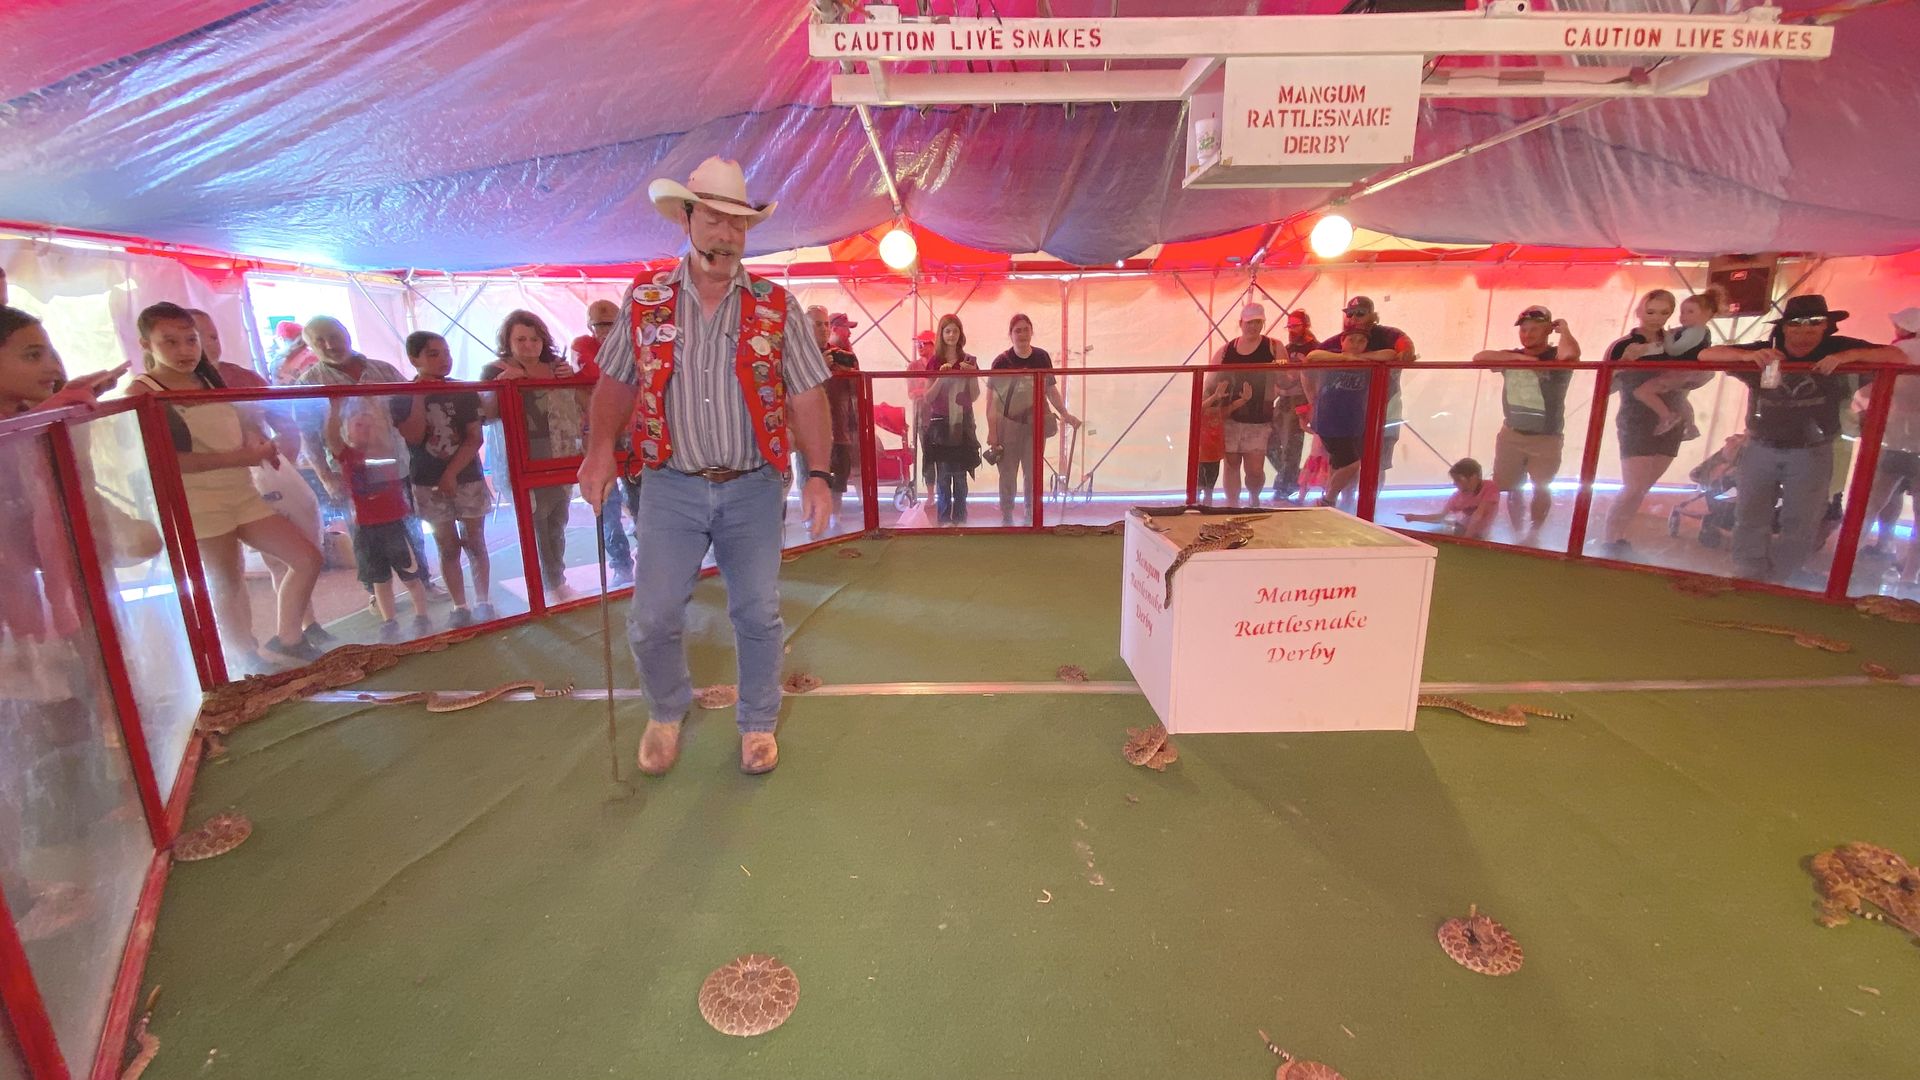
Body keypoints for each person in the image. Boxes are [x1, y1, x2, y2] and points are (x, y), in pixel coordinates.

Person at [576, 156, 833, 777]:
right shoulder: (647, 300)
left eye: (738, 224)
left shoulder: (776, 305)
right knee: (652, 618)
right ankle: (666, 711)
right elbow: (617, 381)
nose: (727, 235)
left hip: (754, 486)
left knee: (757, 612)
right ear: (686, 219)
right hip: (669, 485)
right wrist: (599, 447)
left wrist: (819, 475)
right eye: (715, 219)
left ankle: (758, 723)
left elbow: (808, 395)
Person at [127, 302, 322, 672]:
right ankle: (244, 657)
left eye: (191, 340)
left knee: (306, 558)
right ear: (146, 344)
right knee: (227, 581)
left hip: (242, 492)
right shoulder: (143, 392)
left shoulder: (210, 379)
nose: (185, 350)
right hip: (199, 503)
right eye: (170, 341)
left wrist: (257, 443)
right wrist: (243, 457)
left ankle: (289, 638)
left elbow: (237, 421)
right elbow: (167, 461)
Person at [1699, 294, 1904, 584]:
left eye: (1814, 323)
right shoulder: (1767, 350)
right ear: (1784, 327)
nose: (1804, 331)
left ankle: (1781, 579)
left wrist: (1844, 359)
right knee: (1750, 514)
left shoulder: (1839, 348)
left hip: (1812, 450)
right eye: (1796, 324)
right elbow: (1706, 355)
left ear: (1826, 326)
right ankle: (1748, 576)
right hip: (1761, 445)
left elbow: (1897, 356)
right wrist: (1746, 357)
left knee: (1801, 521)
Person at [187, 307, 333, 645]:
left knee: (300, 552)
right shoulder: (164, 388)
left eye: (212, 336)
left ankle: (300, 628)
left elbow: (283, 421)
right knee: (227, 574)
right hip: (209, 491)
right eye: (194, 338)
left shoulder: (243, 377)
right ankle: (244, 650)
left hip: (263, 474)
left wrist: (277, 457)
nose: (207, 344)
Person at [482, 310, 586, 598]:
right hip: (522, 455)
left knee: (558, 518)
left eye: (534, 339)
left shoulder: (556, 367)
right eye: (521, 339)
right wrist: (503, 384)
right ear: (508, 341)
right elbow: (485, 415)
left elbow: (583, 403)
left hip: (560, 451)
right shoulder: (495, 369)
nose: (529, 345)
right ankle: (547, 583)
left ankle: (556, 578)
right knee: (536, 521)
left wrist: (571, 379)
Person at [394, 331, 494, 626]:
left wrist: (451, 474)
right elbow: (413, 436)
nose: (444, 360)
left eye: (446, 353)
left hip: (468, 477)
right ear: (414, 359)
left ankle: (484, 601)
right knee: (447, 545)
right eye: (433, 354)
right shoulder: (401, 395)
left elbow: (475, 437)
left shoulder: (462, 390)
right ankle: (459, 605)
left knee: (475, 541)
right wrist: (419, 395)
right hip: (427, 481)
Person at [1475, 305, 1581, 537]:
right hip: (1512, 433)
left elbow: (1570, 355)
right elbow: (1479, 358)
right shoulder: (1513, 355)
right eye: (1524, 330)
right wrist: (1520, 358)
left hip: (1546, 436)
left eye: (1535, 329)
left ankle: (1534, 533)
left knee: (1541, 487)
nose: (1527, 334)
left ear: (1548, 330)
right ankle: (1517, 531)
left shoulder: (1556, 356)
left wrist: (1564, 330)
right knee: (1511, 487)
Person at [328, 406, 432, 641]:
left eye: (371, 426)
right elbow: (332, 438)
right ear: (348, 432)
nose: (366, 430)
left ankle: (422, 616)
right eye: (359, 426)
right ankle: (389, 621)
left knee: (410, 576)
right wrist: (334, 410)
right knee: (379, 580)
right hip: (366, 530)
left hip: (394, 526)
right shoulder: (348, 455)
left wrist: (374, 415)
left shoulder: (386, 451)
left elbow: (383, 431)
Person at [1600, 289, 1677, 551]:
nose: (1656, 318)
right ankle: (1609, 539)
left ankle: (1620, 536)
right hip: (1635, 420)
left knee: (1642, 487)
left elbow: (1698, 376)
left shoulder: (1677, 343)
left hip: (1673, 418)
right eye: (1651, 311)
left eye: (1664, 312)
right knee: (1633, 486)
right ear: (1639, 311)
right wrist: (1623, 364)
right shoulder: (1622, 345)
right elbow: (1604, 387)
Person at [986, 313, 1080, 526]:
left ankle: (1031, 513)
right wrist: (992, 431)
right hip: (1008, 425)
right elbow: (991, 402)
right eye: (1017, 330)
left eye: (1025, 329)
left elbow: (1051, 390)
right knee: (1007, 473)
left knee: (1032, 472)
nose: (1022, 334)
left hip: (1035, 426)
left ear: (1032, 332)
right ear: (1010, 334)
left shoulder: (1041, 357)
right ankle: (1007, 515)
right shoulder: (1000, 362)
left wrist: (1065, 414)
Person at [573, 299, 638, 586]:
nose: (605, 330)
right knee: (607, 507)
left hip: (636, 437)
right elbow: (594, 375)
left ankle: (650, 560)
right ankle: (621, 565)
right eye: (599, 325)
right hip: (600, 440)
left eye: (611, 323)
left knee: (642, 502)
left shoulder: (637, 345)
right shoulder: (582, 348)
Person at [1323, 296, 1416, 484]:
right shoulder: (1341, 339)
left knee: (1377, 464)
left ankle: (1371, 500)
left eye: (1360, 313)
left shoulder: (1388, 335)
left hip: (1384, 410)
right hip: (1349, 414)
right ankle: (1343, 500)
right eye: (1350, 313)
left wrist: (1356, 358)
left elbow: (1406, 351)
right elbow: (1312, 358)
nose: (1353, 318)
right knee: (1345, 463)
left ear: (1372, 316)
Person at [1206, 302, 1278, 507]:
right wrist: (1207, 405)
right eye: (1249, 322)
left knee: (1255, 470)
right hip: (1230, 416)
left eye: (1258, 322)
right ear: (1241, 323)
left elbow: (1285, 379)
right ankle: (1232, 505)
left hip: (1259, 418)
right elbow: (1209, 381)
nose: (1253, 326)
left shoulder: (1273, 347)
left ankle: (1254, 497)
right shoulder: (1226, 350)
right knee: (1231, 463)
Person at [0, 305, 126, 416]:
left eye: (51, 355)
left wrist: (70, 400)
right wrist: (53, 408)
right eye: (33, 355)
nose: (56, 368)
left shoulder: (21, 410)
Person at [1301, 329, 1377, 508]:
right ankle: (1328, 499)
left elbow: (1389, 354)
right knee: (1352, 464)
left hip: (1352, 422)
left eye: (1361, 341)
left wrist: (1360, 358)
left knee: (1337, 464)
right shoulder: (1331, 356)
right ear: (1342, 342)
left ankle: (1329, 501)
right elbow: (1312, 357)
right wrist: (1346, 358)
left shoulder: (1367, 361)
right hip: (1330, 420)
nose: (1356, 344)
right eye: (1351, 340)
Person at [918, 314, 981, 525]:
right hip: (940, 424)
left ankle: (961, 518)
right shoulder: (934, 361)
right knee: (944, 475)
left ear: (960, 333)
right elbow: (928, 397)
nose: (952, 335)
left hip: (963, 422)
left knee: (961, 476)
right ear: (941, 334)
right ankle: (944, 520)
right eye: (947, 331)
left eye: (955, 330)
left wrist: (972, 375)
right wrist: (941, 378)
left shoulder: (970, 360)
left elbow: (975, 395)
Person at [805, 306, 861, 524]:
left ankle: (834, 519)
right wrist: (821, 367)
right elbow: (795, 390)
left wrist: (849, 373)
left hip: (839, 427)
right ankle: (811, 519)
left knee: (840, 477)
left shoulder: (843, 355)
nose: (824, 329)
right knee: (811, 475)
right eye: (818, 324)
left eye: (826, 324)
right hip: (810, 432)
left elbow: (857, 392)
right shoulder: (799, 356)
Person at [1267, 308, 1315, 502]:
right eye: (1289, 326)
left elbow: (1312, 378)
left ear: (1306, 326)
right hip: (1283, 398)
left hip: (1300, 399)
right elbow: (1280, 375)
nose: (1291, 330)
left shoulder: (1315, 349)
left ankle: (1285, 487)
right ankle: (1294, 478)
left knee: (1291, 446)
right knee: (1269, 442)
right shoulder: (1286, 349)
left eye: (1295, 326)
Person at [1401, 458, 1499, 539]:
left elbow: (1478, 516)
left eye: (1458, 479)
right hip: (1462, 530)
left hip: (1479, 536)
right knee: (1429, 536)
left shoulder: (1489, 487)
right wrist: (1414, 517)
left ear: (1473, 477)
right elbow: (1440, 517)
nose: (1454, 483)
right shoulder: (1457, 497)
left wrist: (1466, 539)